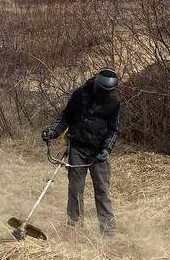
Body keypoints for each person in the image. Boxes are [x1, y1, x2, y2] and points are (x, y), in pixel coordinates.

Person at [42, 68, 121, 236]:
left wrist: (107, 149)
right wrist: (52, 132)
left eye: (107, 92)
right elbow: (65, 117)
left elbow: (114, 130)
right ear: (96, 85)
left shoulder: (114, 102)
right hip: (77, 147)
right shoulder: (80, 95)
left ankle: (108, 232)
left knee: (102, 191)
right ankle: (75, 229)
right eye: (101, 90)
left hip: (99, 152)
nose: (103, 94)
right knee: (75, 190)